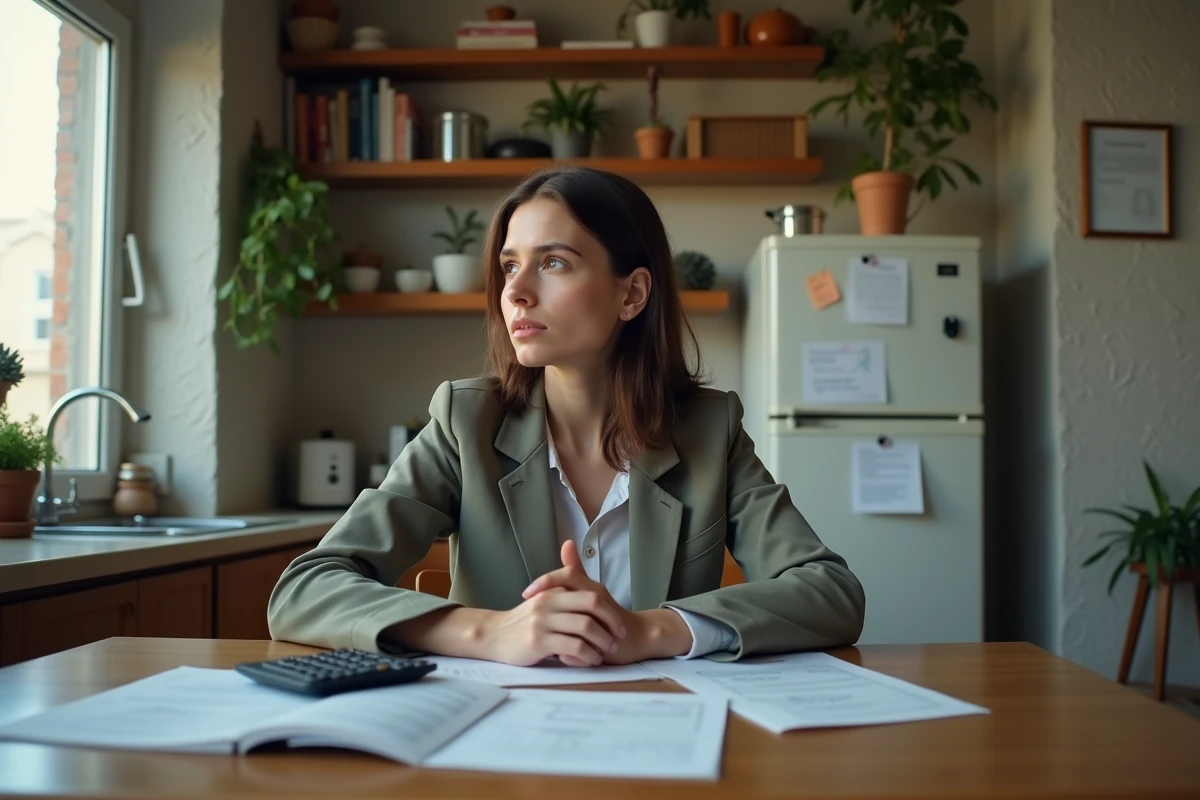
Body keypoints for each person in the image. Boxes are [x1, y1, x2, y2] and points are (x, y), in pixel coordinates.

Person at [268, 167, 865, 665]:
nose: (516, 292)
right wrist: (488, 632)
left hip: (665, 728)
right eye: (509, 266)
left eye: (553, 262)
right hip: (497, 737)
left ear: (632, 294)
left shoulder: (710, 431)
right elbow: (304, 589)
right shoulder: (464, 423)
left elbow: (832, 592)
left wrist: (648, 631)